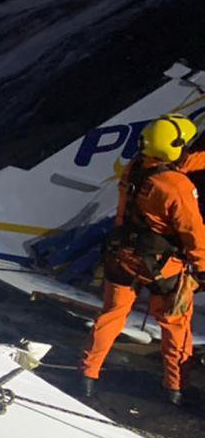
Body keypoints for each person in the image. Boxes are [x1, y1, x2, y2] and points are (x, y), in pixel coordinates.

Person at [81, 115, 205, 403]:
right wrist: (202, 269)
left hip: (122, 256)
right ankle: (175, 389)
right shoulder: (177, 187)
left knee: (111, 316)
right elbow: (193, 233)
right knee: (174, 325)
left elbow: (176, 164)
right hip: (163, 267)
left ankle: (87, 374)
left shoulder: (135, 168)